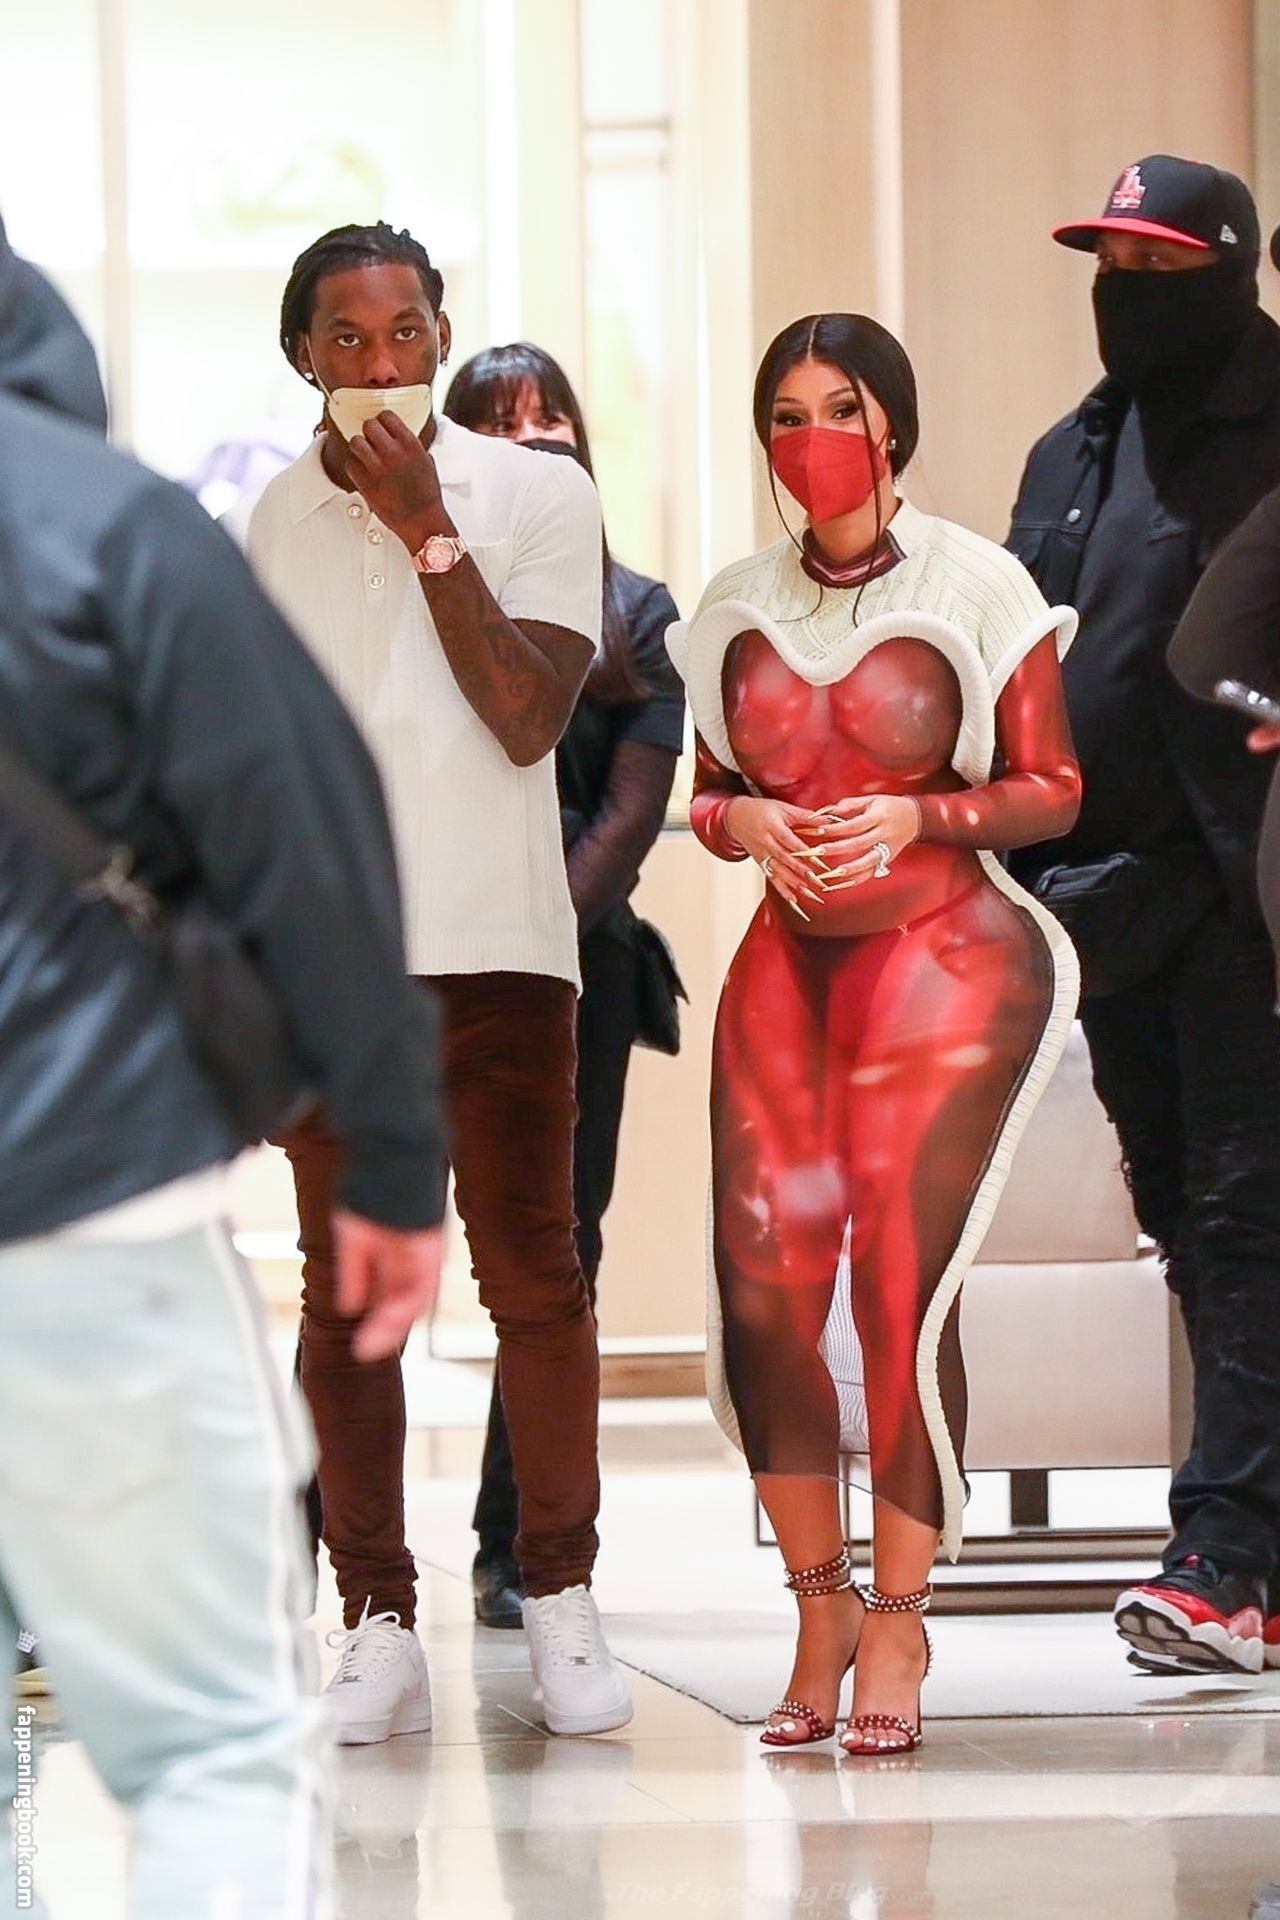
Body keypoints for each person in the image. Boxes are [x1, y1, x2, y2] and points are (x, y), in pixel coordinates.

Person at [0, 213, 445, 1918]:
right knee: (208, 1750)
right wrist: (390, 1161)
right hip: (79, 1203)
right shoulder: (110, 529)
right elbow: (308, 843)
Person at [236, 223, 633, 1739]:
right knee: (349, 1304)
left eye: (405, 331)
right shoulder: (276, 520)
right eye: (347, 337)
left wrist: (427, 529)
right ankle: (376, 1618)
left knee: (532, 1277)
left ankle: (562, 1595)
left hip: (501, 950)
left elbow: (529, 717)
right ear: (304, 357)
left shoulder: (536, 494)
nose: (381, 361)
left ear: (441, 336)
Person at [669, 312, 1081, 1755]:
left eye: (838, 408)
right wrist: (742, 822)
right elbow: (708, 789)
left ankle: (902, 1620)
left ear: (891, 423)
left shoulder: (978, 583)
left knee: (901, 1289)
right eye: (785, 415)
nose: (812, 439)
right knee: (763, 1290)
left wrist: (920, 813)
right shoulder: (734, 601)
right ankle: (818, 1606)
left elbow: (1053, 788)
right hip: (785, 972)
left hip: (942, 966)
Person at [1007, 156, 1280, 1676]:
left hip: (1249, 896)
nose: (1127, 294)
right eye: (1109, 265)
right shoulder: (1072, 448)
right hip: (1108, 904)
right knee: (1185, 1221)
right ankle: (1252, 1555)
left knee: (1246, 1223)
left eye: (1160, 268)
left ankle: (1219, 1561)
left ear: (1229, 270)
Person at [443, 343, 686, 1629]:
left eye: (551, 418)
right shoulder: (414, 596)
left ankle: (518, 1545)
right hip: (417, 963)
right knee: (373, 1249)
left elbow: (627, 822)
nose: (533, 438)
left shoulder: (638, 612)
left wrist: (529, 930)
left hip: (576, 975)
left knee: (551, 1261)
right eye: (498, 422)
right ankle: (332, 1548)